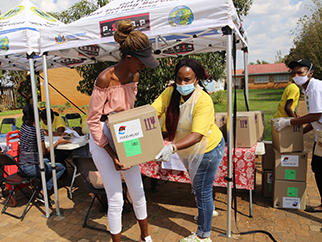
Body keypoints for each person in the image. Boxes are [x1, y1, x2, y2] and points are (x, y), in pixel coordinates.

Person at [86, 19, 159, 242]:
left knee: (137, 191)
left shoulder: (134, 76)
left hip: (124, 133)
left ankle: (145, 237)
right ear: (128, 58)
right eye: (141, 61)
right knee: (116, 197)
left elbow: (128, 111)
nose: (144, 66)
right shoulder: (105, 79)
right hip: (103, 139)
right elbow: (93, 121)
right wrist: (113, 154)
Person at [152, 58, 225, 242]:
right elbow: (153, 112)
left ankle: (203, 235)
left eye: (187, 80)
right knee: (200, 187)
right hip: (189, 149)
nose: (182, 83)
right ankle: (207, 212)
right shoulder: (170, 93)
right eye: (179, 79)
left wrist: (173, 147)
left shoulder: (203, 100)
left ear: (196, 80)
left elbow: (197, 135)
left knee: (202, 190)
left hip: (207, 149)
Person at [274, 59, 322, 212]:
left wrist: (290, 123)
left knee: (320, 168)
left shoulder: (314, 88)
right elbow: (315, 119)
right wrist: (299, 133)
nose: (296, 76)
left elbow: (316, 115)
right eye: (294, 73)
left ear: (310, 73)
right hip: (319, 136)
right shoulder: (306, 89)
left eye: (300, 72)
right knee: (317, 167)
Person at [19, 104, 70, 204]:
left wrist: (60, 134)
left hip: (22, 166)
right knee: (61, 167)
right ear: (36, 115)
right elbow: (44, 152)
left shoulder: (24, 127)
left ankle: (39, 188)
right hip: (32, 168)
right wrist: (58, 142)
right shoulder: (37, 131)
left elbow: (45, 132)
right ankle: (44, 190)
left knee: (49, 161)